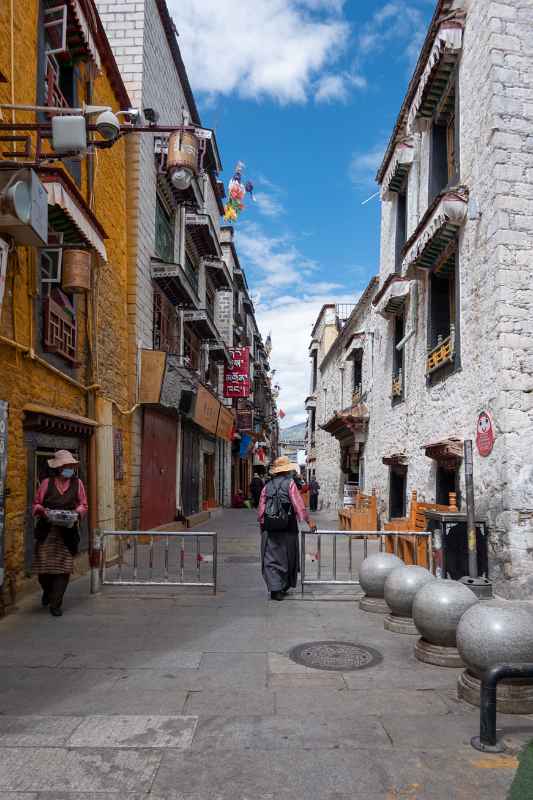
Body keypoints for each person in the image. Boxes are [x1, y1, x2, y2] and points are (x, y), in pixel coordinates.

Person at [32, 450, 88, 617]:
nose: (69, 469)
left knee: (63, 569)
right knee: (44, 570)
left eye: (71, 466)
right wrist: (44, 511)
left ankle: (56, 603)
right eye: (66, 466)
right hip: (47, 531)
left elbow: (84, 505)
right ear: (59, 468)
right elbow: (35, 504)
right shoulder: (46, 483)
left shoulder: (77, 484)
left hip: (67, 532)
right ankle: (48, 592)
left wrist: (76, 513)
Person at [258, 456, 316, 601]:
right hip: (288, 527)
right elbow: (298, 505)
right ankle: (281, 587)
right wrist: (309, 521)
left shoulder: (267, 486)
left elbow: (261, 508)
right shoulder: (290, 484)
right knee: (287, 556)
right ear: (287, 471)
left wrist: (262, 525)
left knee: (270, 558)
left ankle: (274, 588)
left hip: (270, 527)